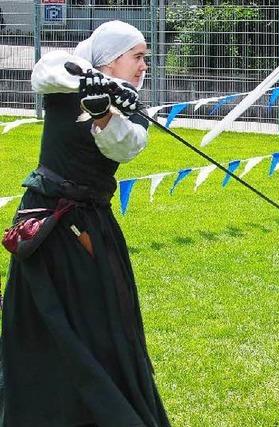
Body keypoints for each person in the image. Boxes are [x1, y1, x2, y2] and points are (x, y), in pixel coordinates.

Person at [0, 21, 171, 426]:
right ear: (112, 59)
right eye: (137, 56)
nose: (144, 65)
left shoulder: (132, 108)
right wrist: (95, 83)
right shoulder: (67, 77)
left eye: (145, 57)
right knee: (38, 322)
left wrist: (104, 111)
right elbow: (45, 68)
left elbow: (127, 145)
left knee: (99, 324)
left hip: (89, 226)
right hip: (42, 222)